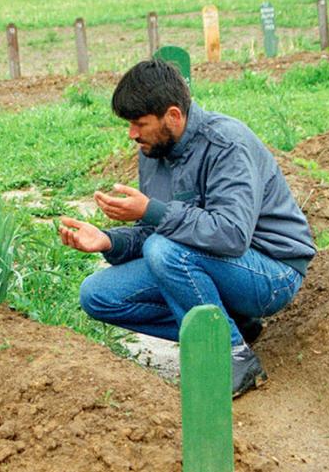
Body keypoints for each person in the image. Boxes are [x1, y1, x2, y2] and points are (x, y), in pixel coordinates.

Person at [58, 60, 315, 398]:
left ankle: (233, 359)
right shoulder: (153, 151)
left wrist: (152, 210)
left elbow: (232, 235)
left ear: (173, 116)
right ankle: (228, 327)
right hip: (210, 264)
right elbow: (159, 229)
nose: (132, 134)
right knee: (98, 295)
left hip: (271, 272)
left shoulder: (227, 145)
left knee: (164, 251)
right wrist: (108, 241)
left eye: (139, 123)